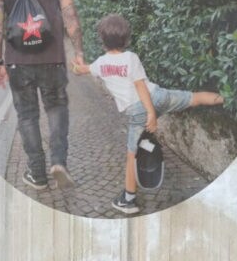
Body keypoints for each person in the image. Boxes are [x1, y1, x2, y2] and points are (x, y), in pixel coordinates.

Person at [91, 12, 223, 215]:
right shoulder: (130, 58)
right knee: (194, 98)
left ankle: (128, 200)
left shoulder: (100, 63)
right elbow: (143, 86)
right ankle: (230, 99)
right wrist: (153, 110)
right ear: (126, 39)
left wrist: (151, 115)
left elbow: (138, 87)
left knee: (131, 155)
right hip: (159, 96)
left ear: (102, 40)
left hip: (140, 110)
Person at [0, 0, 83, 190]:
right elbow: (69, 12)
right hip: (52, 56)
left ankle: (38, 174)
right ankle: (59, 162)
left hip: (18, 60)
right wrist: (78, 51)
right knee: (56, 108)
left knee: (27, 115)